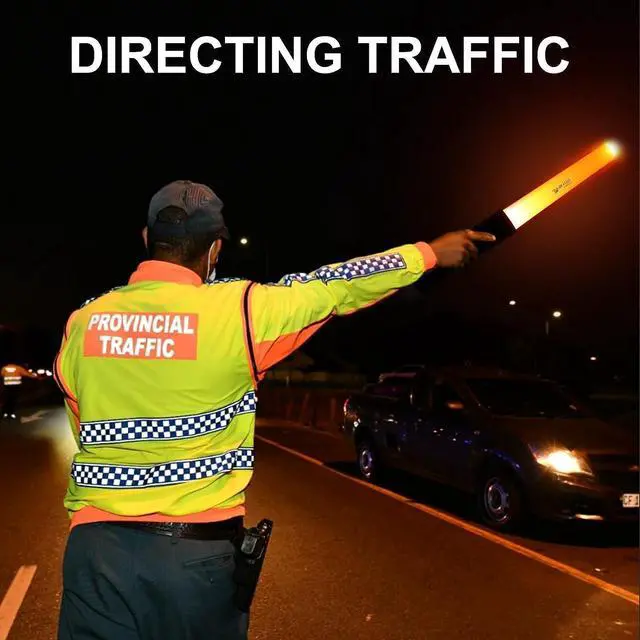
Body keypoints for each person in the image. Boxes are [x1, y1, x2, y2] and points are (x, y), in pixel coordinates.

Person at [54, 179, 495, 640]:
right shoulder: (242, 311)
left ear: (147, 238)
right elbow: (337, 285)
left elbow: (85, 427)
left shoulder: (83, 323)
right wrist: (428, 254)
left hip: (96, 554)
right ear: (215, 249)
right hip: (194, 562)